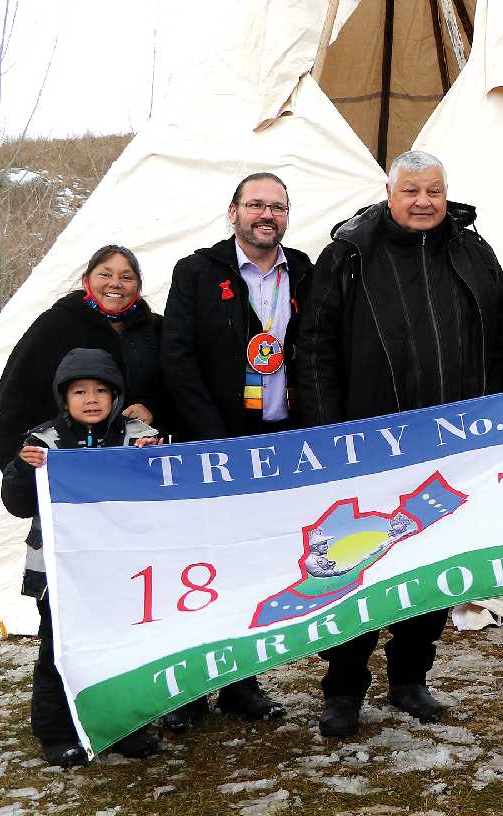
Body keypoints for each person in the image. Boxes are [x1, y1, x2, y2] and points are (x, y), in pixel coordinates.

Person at [291, 150, 503, 738]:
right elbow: (314, 347)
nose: (423, 201)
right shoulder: (349, 255)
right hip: (370, 449)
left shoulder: (474, 253)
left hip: (454, 449)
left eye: (434, 190)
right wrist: (328, 433)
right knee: (358, 562)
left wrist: (498, 426)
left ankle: (410, 676)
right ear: (389, 194)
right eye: (411, 190)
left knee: (434, 562)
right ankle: (342, 688)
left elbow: (500, 339)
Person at [159, 172, 312, 728]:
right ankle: (190, 692)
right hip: (214, 443)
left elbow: (313, 350)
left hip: (276, 441)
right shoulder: (198, 271)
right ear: (233, 212)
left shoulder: (304, 270)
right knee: (204, 567)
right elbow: (177, 358)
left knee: (256, 569)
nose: (265, 215)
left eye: (277, 206)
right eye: (255, 205)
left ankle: (242, 685)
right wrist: (213, 438)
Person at [0, 349, 164, 766]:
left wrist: (156, 456)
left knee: (126, 649)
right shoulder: (43, 441)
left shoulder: (137, 435)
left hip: (123, 570)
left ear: (115, 395)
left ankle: (126, 724)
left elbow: (166, 491)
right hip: (60, 572)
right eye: (80, 391)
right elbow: (17, 505)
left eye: (101, 391)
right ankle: (57, 731)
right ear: (64, 397)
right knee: (59, 650)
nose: (91, 398)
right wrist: (22, 470)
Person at [0, 245, 163, 472]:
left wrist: (152, 407)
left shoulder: (155, 329)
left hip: (138, 468)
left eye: (126, 277)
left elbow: (175, 386)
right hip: (64, 468)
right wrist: (17, 464)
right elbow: (16, 394)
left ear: (137, 286)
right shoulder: (54, 325)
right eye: (105, 274)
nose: (115, 283)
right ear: (86, 280)